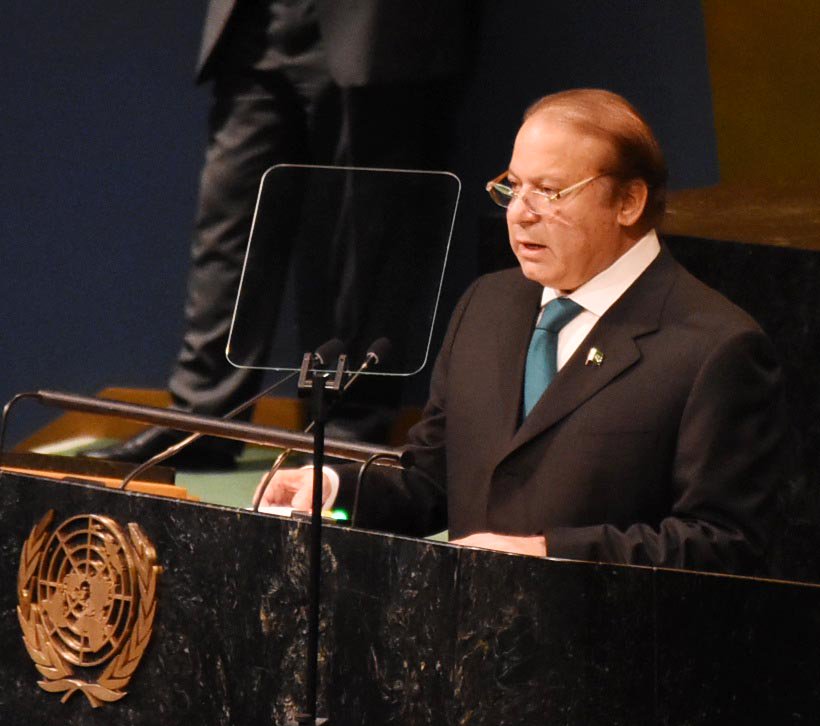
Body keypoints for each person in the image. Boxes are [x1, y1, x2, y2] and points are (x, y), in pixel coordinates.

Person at [256, 88, 785, 574]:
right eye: (512, 187)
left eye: (550, 191)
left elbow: (723, 542)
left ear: (629, 202)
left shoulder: (714, 347)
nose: (520, 213)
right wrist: (327, 488)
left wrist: (547, 553)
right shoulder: (489, 304)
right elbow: (433, 479)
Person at [88, 0, 467, 468]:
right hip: (254, 27)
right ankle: (203, 420)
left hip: (377, 29)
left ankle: (340, 436)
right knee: (226, 241)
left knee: (358, 249)